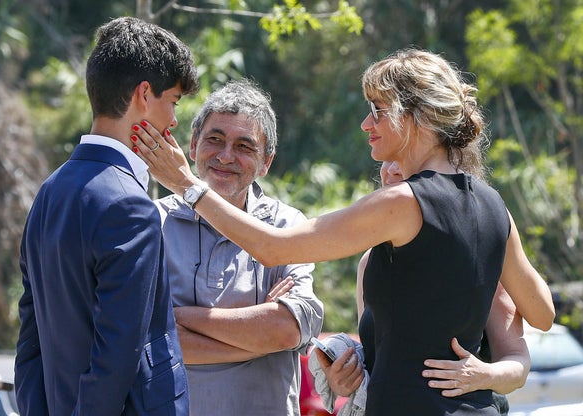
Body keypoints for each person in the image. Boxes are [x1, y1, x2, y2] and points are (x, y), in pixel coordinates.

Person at [132, 48, 555, 415]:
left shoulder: (402, 202)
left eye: (377, 111)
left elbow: (272, 247)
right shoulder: (494, 204)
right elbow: (542, 313)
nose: (365, 124)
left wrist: (188, 186)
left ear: (415, 118)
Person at [14, 16, 199, 416]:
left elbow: (31, 340)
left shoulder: (48, 193)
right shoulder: (131, 206)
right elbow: (116, 355)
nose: (174, 120)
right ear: (143, 95)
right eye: (174, 102)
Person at [143, 79, 324, 416]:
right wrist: (256, 338)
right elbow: (145, 342)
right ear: (193, 144)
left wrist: (178, 317)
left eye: (244, 146)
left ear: (266, 161)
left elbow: (286, 330)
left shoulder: (287, 226)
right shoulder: (151, 223)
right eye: (215, 140)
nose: (226, 157)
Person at [313, 161, 530, 416]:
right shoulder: (369, 263)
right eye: (387, 159)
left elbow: (519, 364)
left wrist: (485, 374)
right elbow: (380, 362)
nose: (391, 169)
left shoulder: (477, 255)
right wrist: (344, 379)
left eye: (404, 158)